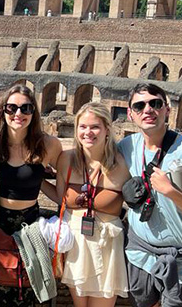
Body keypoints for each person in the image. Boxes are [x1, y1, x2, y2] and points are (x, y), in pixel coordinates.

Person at [118, 83, 182, 307]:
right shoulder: (126, 147)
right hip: (140, 256)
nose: (148, 110)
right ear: (130, 113)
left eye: (155, 103)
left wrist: (171, 193)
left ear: (167, 109)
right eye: (139, 105)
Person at [0, 85, 62, 305]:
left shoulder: (48, 145)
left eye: (26, 108)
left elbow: (64, 185)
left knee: (28, 283)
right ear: (3, 110)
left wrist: (40, 179)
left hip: (29, 224)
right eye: (11, 108)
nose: (18, 114)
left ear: (34, 113)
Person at [56, 102, 130, 306]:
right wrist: (38, 181)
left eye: (95, 126)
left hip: (107, 245)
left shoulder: (123, 163)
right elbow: (60, 198)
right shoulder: (66, 159)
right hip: (76, 245)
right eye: (83, 126)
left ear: (107, 129)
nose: (88, 132)